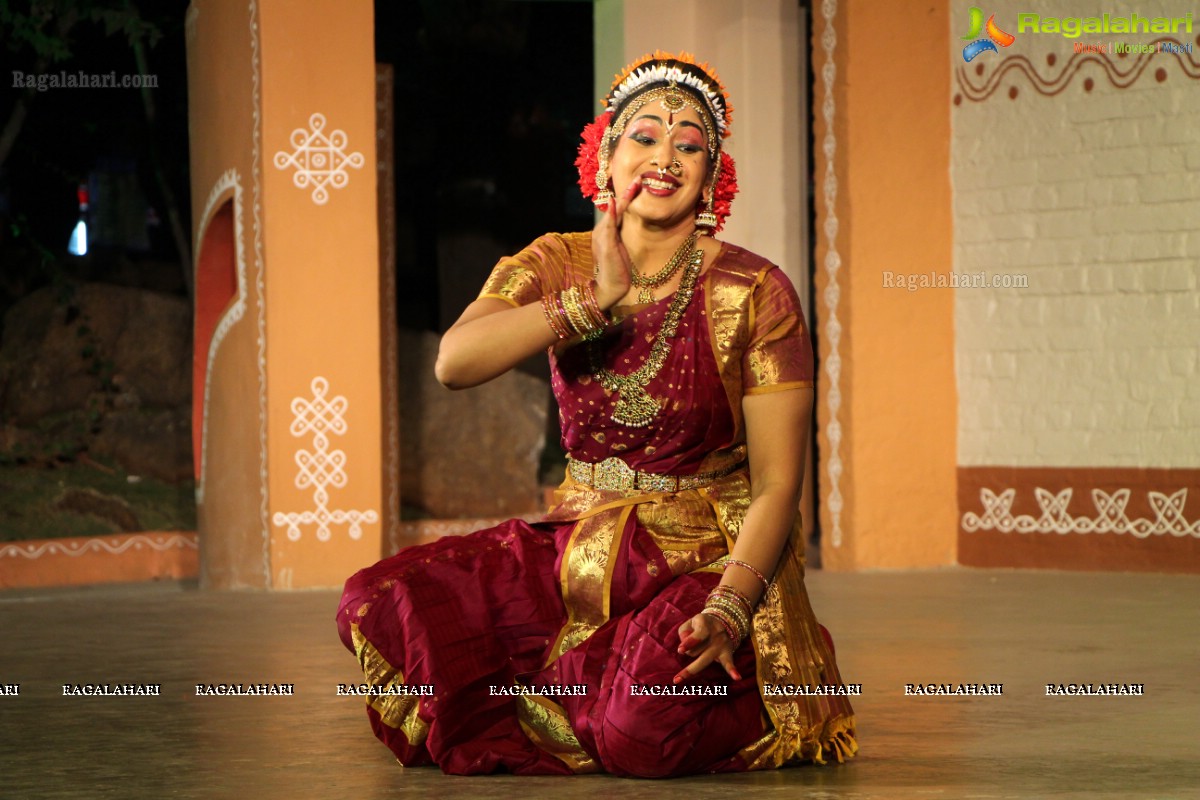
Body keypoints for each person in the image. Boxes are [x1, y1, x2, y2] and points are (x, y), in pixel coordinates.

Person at [337, 51, 858, 778]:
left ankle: (776, 677)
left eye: (689, 146)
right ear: (604, 159)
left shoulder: (754, 292)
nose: (665, 158)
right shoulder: (557, 261)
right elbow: (455, 362)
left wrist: (735, 605)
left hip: (704, 553)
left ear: (711, 178)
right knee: (382, 600)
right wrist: (592, 300)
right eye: (644, 137)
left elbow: (776, 486)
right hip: (578, 537)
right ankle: (582, 687)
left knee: (636, 731)